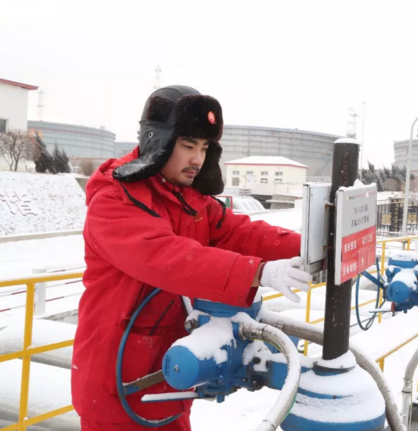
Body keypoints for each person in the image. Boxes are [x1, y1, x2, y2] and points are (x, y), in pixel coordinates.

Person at [71, 85, 311, 431]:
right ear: (158, 141)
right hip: (117, 384)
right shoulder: (114, 201)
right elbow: (167, 256)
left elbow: (240, 233)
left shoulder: (188, 199)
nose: (197, 160)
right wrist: (259, 272)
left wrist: (314, 248)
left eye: (204, 148)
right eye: (187, 146)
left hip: (173, 376)